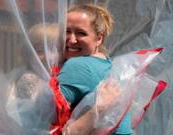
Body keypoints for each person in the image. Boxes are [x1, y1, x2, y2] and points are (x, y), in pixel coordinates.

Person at [57, 4, 133, 135]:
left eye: (81, 33)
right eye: (66, 31)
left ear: (99, 38)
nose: (72, 39)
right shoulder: (107, 64)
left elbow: (44, 118)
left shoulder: (77, 65)